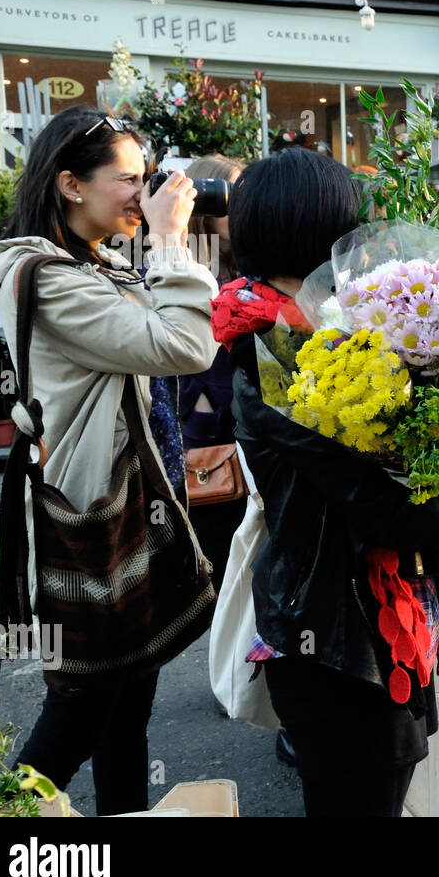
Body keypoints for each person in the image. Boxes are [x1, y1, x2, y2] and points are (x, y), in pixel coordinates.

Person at [213, 149, 439, 816]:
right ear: (316, 233)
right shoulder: (278, 355)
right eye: (350, 227)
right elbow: (388, 510)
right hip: (337, 643)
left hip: (377, 627)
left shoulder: (335, 334)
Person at [0, 105, 218, 814]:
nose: (143, 194)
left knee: (125, 707)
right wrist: (173, 245)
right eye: (130, 179)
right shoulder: (52, 281)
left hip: (122, 504)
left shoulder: (94, 265)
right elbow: (181, 347)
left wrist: (158, 250)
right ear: (71, 184)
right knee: (80, 709)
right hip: (89, 515)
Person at [178, 154, 245, 595]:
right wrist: (202, 406)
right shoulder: (183, 272)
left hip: (246, 434)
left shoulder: (245, 266)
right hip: (210, 440)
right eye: (229, 198)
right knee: (220, 571)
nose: (240, 209)